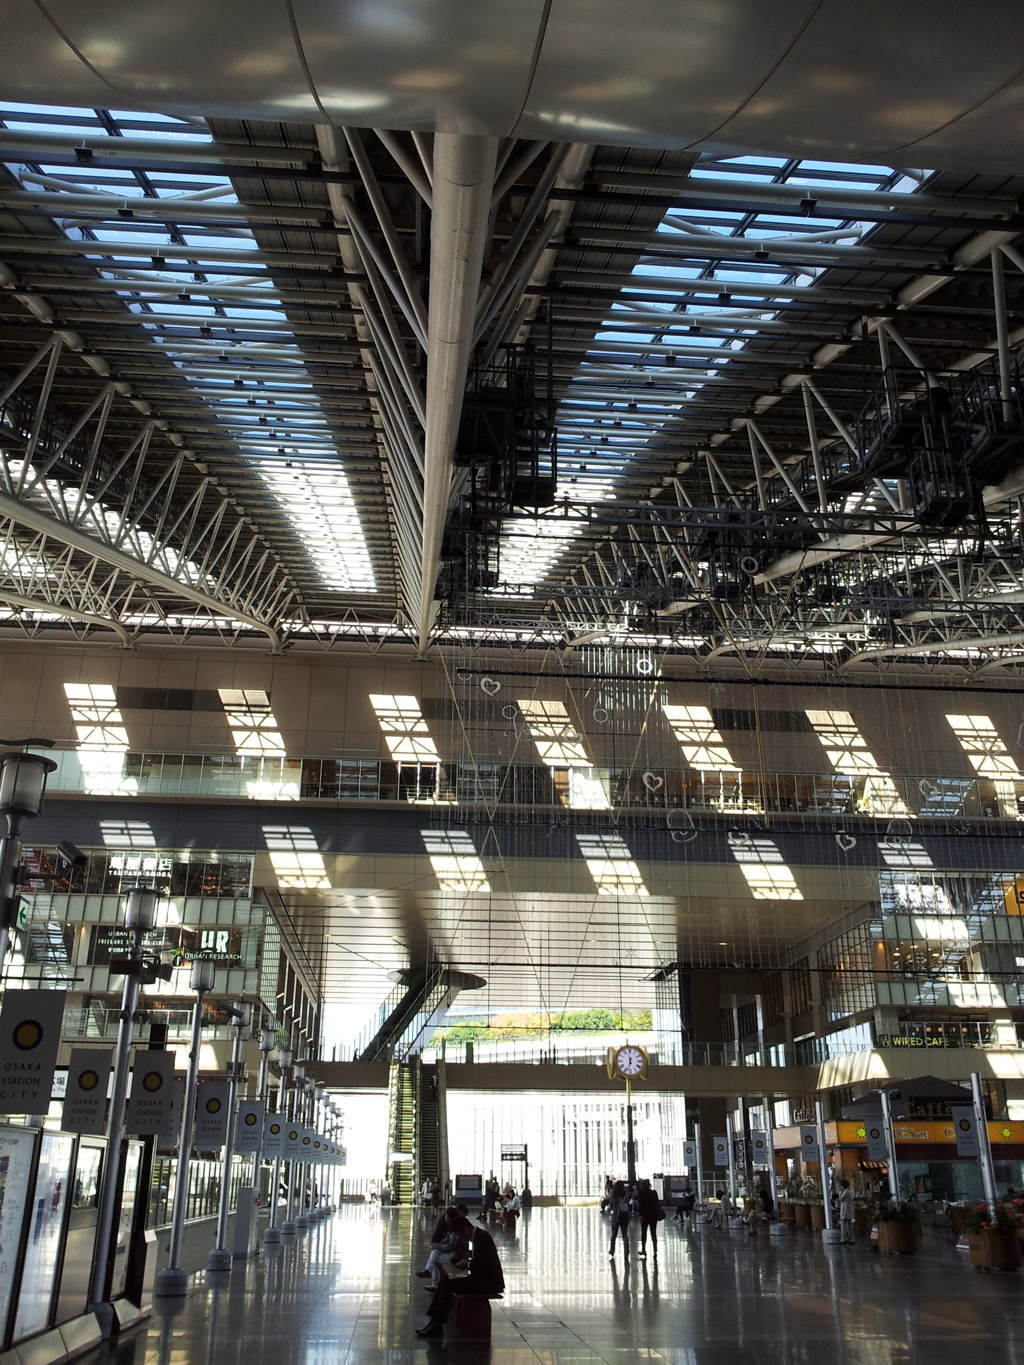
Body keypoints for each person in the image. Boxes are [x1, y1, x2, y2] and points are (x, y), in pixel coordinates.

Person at [415, 1217, 504, 1339]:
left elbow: (484, 1265)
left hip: (487, 1282)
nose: (460, 1238)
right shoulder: (479, 1236)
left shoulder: (482, 1237)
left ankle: (437, 1325)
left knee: (448, 1285)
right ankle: (434, 1322)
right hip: (482, 1278)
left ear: (466, 1228)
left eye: (460, 1235)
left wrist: (467, 1264)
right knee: (444, 1281)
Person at [416, 1206, 471, 1288]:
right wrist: (437, 1246)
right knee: (435, 1252)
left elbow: (450, 1246)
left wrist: (438, 1246)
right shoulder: (451, 1226)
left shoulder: (455, 1229)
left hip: (457, 1254)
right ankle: (428, 1271)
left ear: (448, 1217)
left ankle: (436, 1284)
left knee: (436, 1259)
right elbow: (446, 1240)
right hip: (452, 1251)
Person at [635, 1179, 664, 1260]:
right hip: (653, 1215)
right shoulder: (653, 1192)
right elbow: (657, 1203)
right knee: (653, 1233)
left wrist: (640, 1214)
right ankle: (655, 1250)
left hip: (644, 1216)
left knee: (644, 1233)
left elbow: (640, 1205)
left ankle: (644, 1250)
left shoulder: (641, 1193)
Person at [607, 1179, 632, 1261]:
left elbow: (611, 1205)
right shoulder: (626, 1195)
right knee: (625, 1235)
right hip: (624, 1216)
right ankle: (626, 1252)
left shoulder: (613, 1195)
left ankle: (611, 1251)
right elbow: (629, 1204)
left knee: (614, 1235)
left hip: (615, 1217)